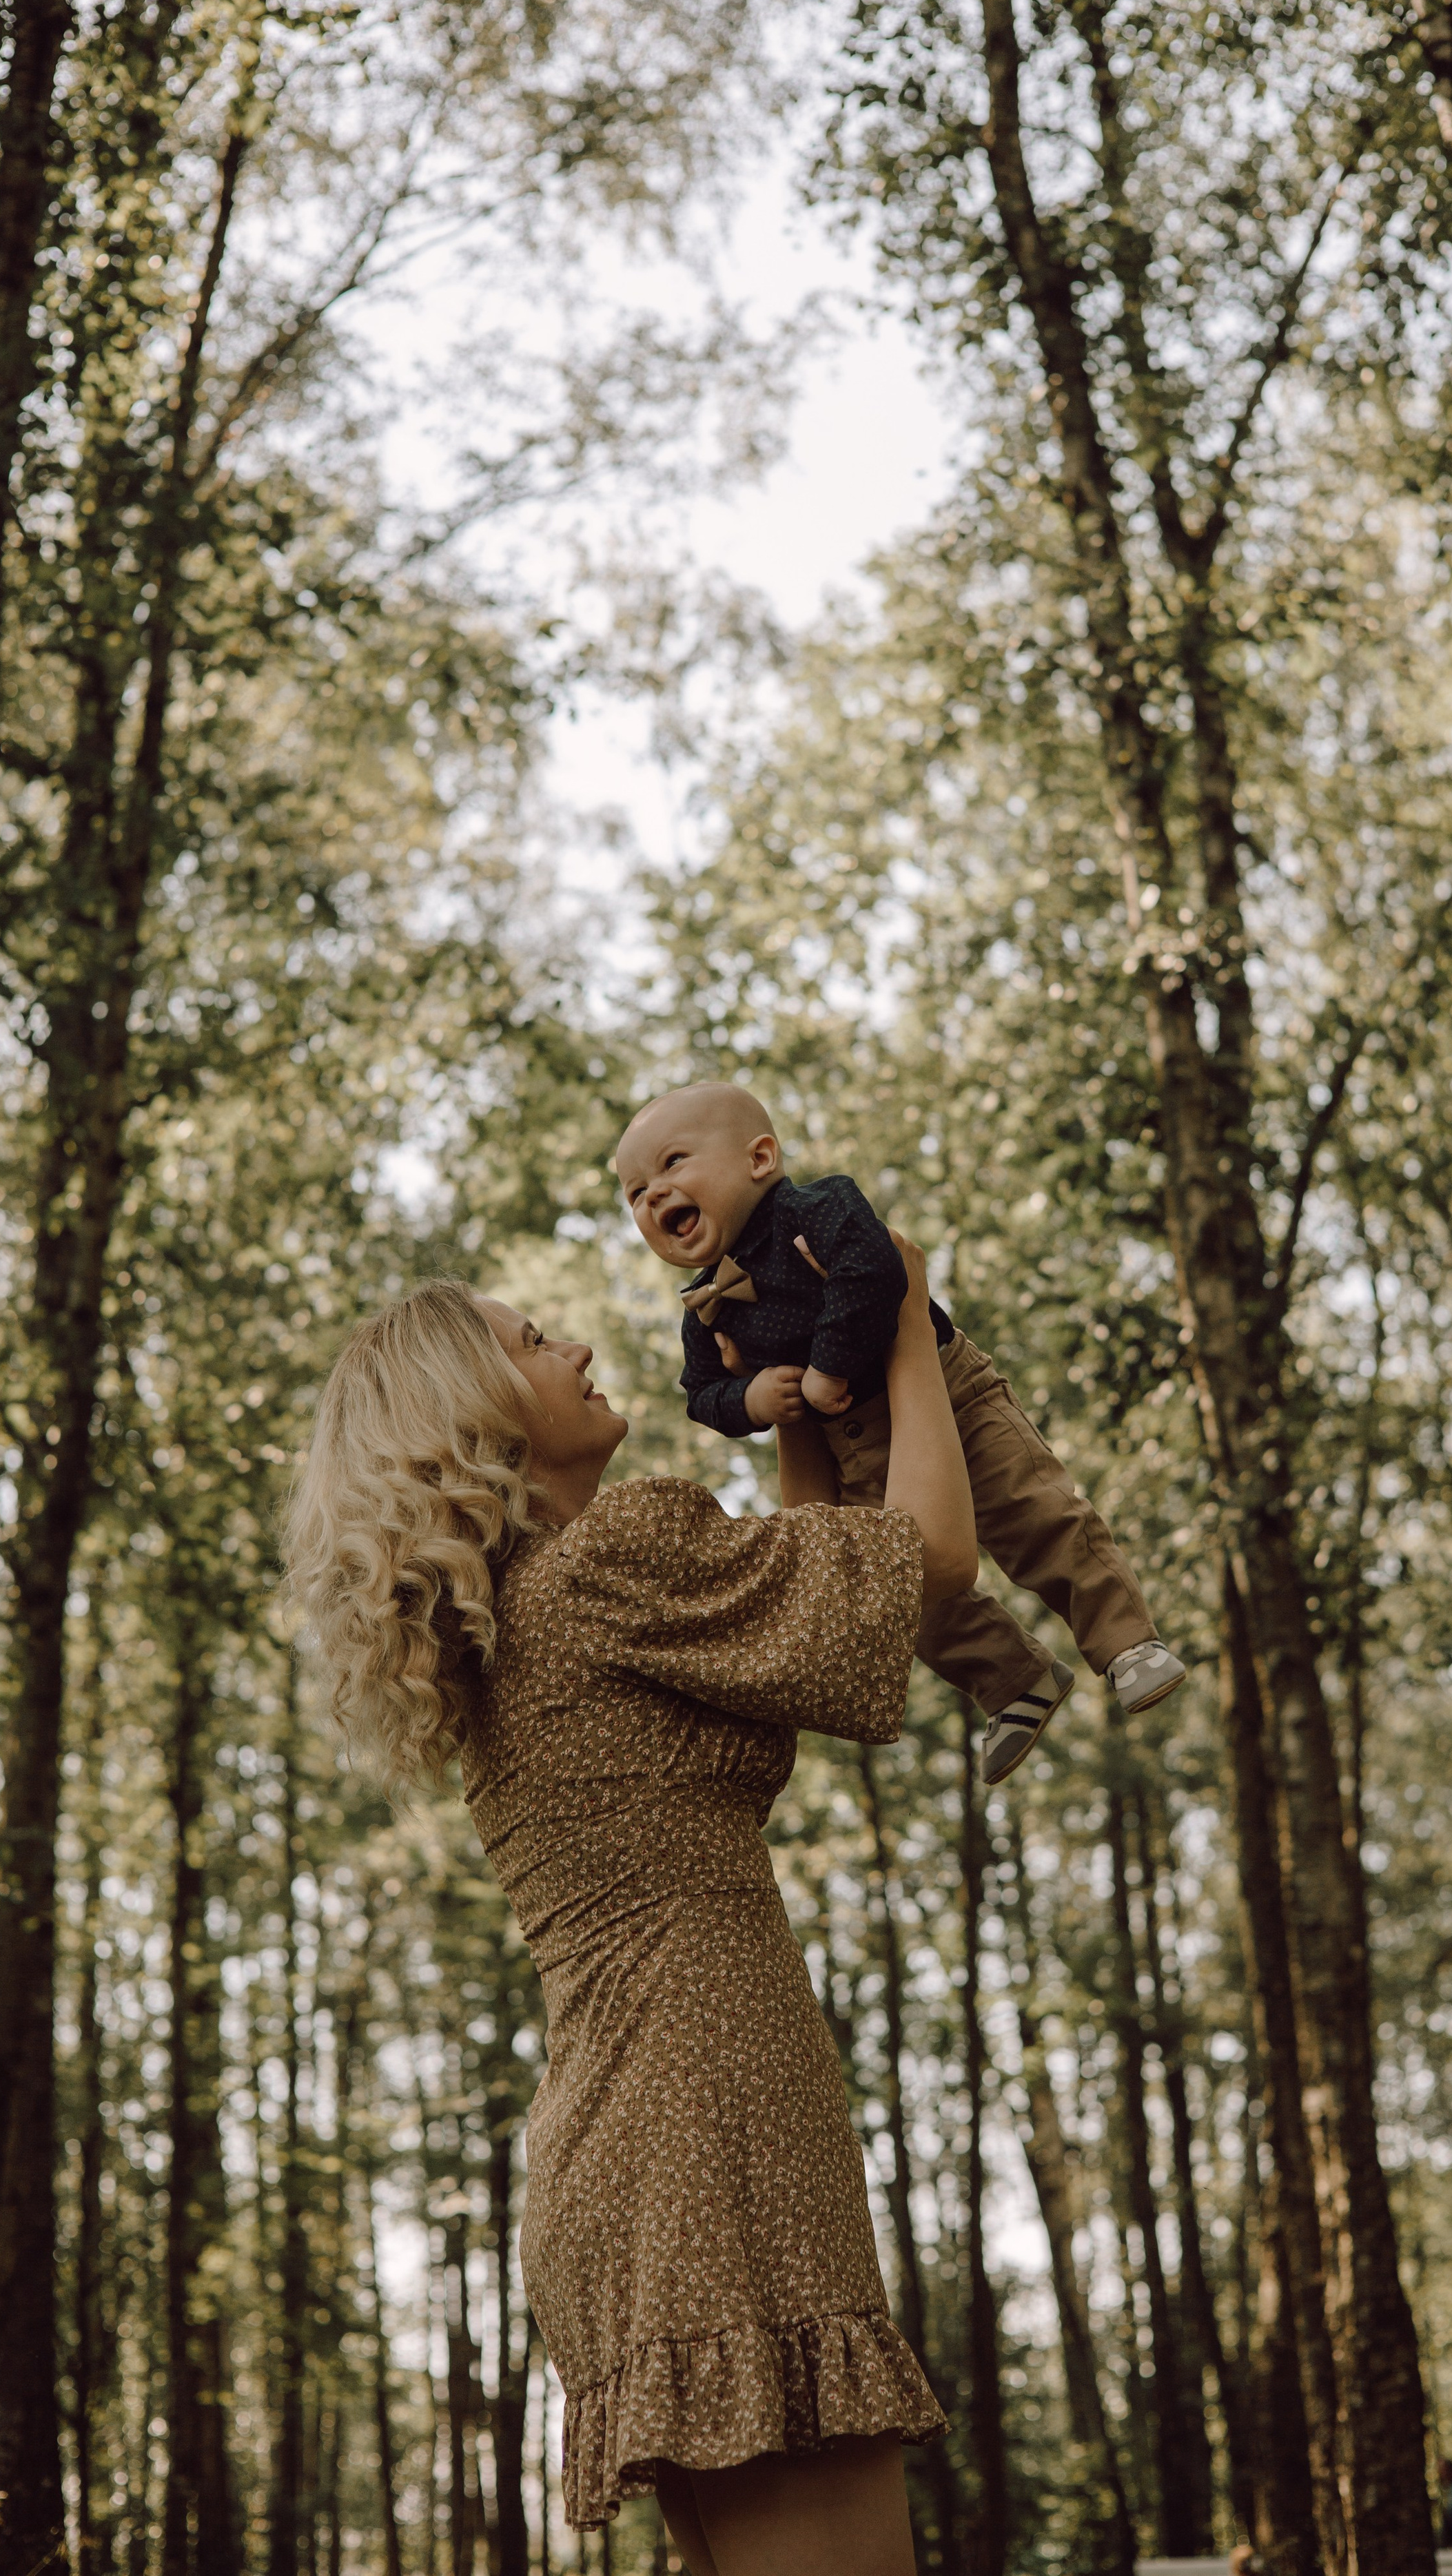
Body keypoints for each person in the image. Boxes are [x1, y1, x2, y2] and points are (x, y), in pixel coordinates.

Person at [286, 1238, 981, 2575]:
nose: (576, 1346)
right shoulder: (613, 1566)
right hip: (716, 2135)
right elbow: (928, 1563)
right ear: (475, 1417)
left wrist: (800, 1409)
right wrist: (893, 1330)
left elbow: (810, 1599)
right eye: (533, 1337)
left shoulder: (515, 1631)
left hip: (630, 2154)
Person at [615, 1081, 1187, 1784]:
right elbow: (701, 1396)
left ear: (760, 1157)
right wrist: (752, 1398)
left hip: (945, 1392)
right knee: (886, 1588)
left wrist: (823, 1366)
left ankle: (1125, 1642)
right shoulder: (705, 1309)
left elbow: (876, 1270)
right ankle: (1014, 1682)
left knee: (1031, 1511)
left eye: (672, 1163)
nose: (652, 1196)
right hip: (849, 1448)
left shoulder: (820, 1210)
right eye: (635, 1193)